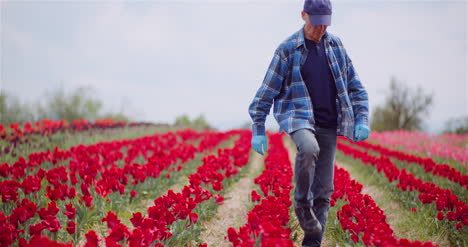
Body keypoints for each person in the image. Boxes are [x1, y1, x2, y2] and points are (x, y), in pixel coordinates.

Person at [247, 0, 370, 246]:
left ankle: (312, 242)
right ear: (303, 16)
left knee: (324, 192)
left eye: (326, 23)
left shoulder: (336, 46)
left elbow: (356, 86)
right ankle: (302, 203)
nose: (321, 28)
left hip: (329, 122)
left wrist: (362, 117)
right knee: (309, 148)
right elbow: (267, 91)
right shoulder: (288, 49)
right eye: (316, 23)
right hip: (298, 116)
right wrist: (258, 127)